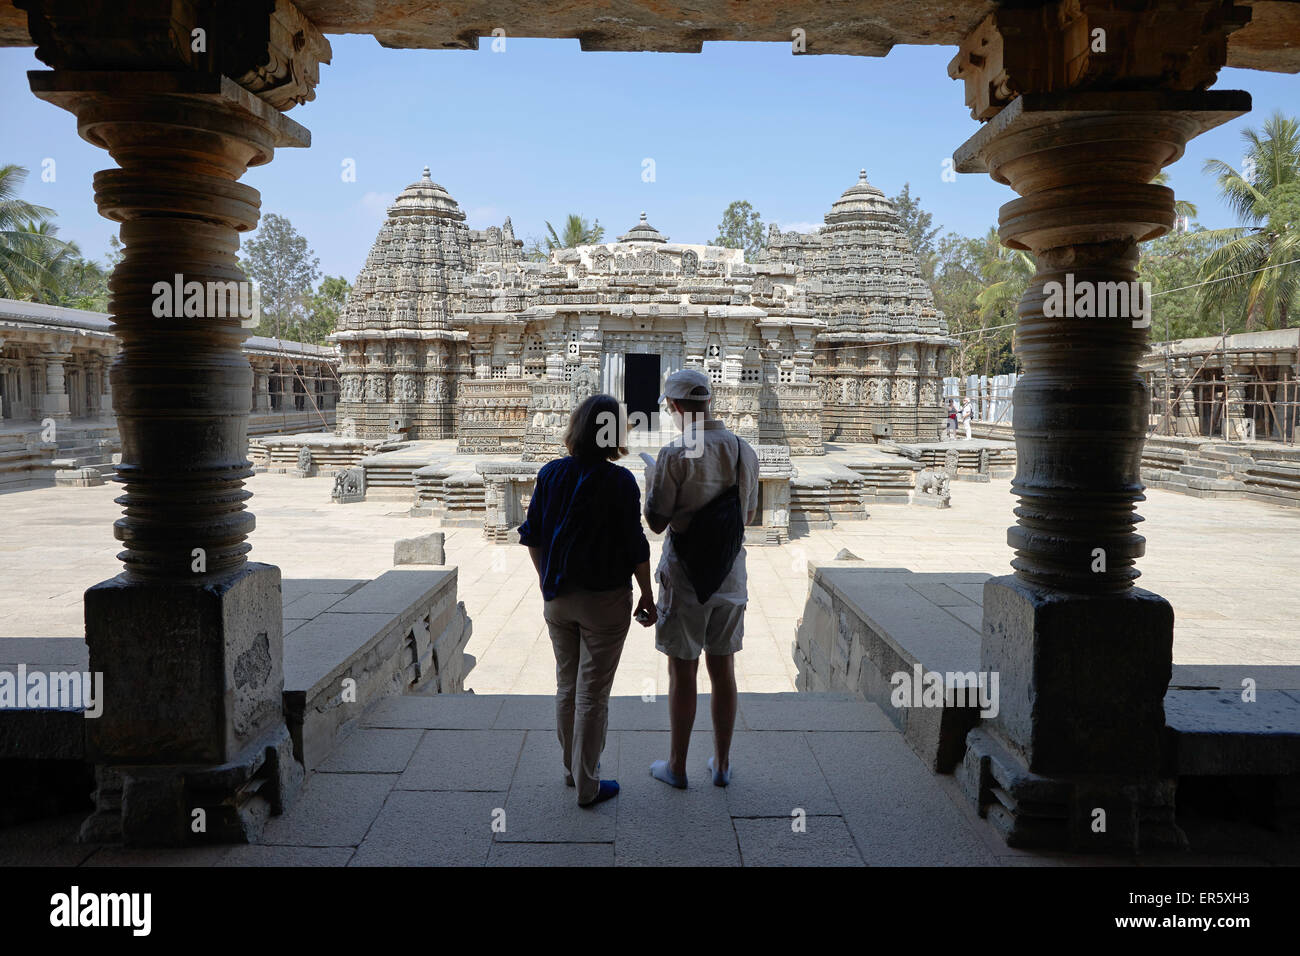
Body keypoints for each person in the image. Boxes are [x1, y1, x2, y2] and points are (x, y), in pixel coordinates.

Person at [517, 393, 656, 807]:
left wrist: (546, 580)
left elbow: (532, 536)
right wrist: (647, 594)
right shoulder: (620, 482)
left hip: (559, 598)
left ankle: (571, 770)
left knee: (566, 684)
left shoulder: (551, 473)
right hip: (605, 601)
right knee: (592, 693)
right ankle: (588, 785)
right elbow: (636, 546)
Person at [643, 369, 758, 789]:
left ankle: (677, 766)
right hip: (729, 576)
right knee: (723, 668)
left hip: (685, 578)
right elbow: (746, 517)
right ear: (710, 402)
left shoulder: (675, 454)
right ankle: (723, 763)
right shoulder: (744, 451)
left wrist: (650, 480)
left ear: (674, 407)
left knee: (683, 671)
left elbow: (656, 522)